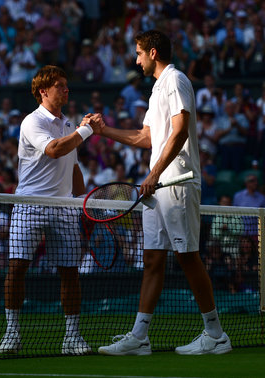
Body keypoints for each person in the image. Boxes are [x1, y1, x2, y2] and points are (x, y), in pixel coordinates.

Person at [84, 30, 231, 356]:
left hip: (176, 183)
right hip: (157, 188)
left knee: (188, 256)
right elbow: (145, 138)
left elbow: (179, 132)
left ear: (152, 52)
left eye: (138, 53)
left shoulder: (176, 80)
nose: (136, 60)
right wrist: (102, 130)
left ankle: (216, 334)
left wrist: (153, 173)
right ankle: (140, 337)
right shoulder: (156, 89)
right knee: (152, 259)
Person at [0, 65, 92, 356]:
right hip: (29, 205)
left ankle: (72, 337)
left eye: (66, 85)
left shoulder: (68, 124)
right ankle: (12, 333)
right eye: (60, 86)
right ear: (44, 91)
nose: (66, 90)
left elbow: (73, 167)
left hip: (64, 207)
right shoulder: (32, 121)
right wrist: (86, 130)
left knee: (70, 272)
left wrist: (82, 202)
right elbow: (53, 150)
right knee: (17, 268)